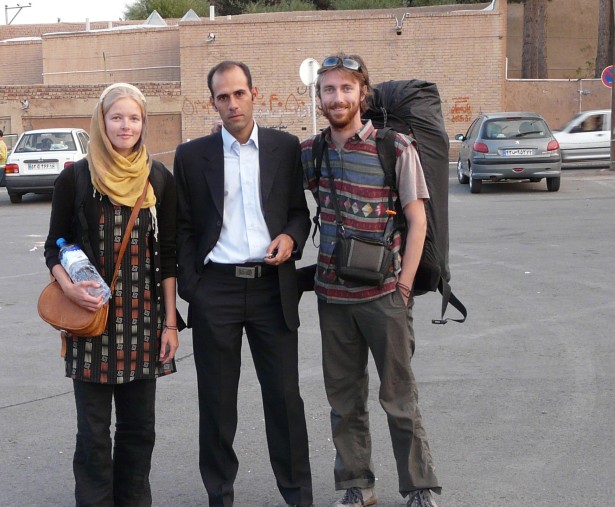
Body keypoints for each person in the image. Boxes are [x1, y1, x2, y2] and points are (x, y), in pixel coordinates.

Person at [300, 54, 440, 507]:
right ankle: (357, 485)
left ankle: (420, 486)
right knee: (344, 402)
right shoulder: (312, 152)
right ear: (318, 97)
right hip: (332, 297)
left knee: (399, 398)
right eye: (328, 90)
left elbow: (417, 221)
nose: (337, 98)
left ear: (363, 93)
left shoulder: (394, 147)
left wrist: (404, 287)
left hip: (384, 296)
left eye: (345, 89)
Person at [175, 61, 313, 507]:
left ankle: (297, 496)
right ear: (212, 102)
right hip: (217, 288)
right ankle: (220, 495)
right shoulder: (192, 156)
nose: (232, 104)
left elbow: (299, 212)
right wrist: (195, 287)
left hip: (273, 288)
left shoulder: (284, 147)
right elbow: (183, 228)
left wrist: (291, 237)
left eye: (239, 93)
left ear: (255, 93)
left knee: (285, 400)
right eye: (222, 97)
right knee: (216, 404)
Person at [44, 83, 179, 506]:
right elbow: (55, 244)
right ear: (101, 122)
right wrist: (68, 286)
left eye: (134, 118)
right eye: (117, 117)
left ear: (144, 123)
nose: (126, 126)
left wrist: (170, 323)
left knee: (140, 430)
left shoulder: (158, 178)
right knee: (94, 433)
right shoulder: (76, 177)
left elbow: (170, 255)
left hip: (144, 322)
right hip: (91, 324)